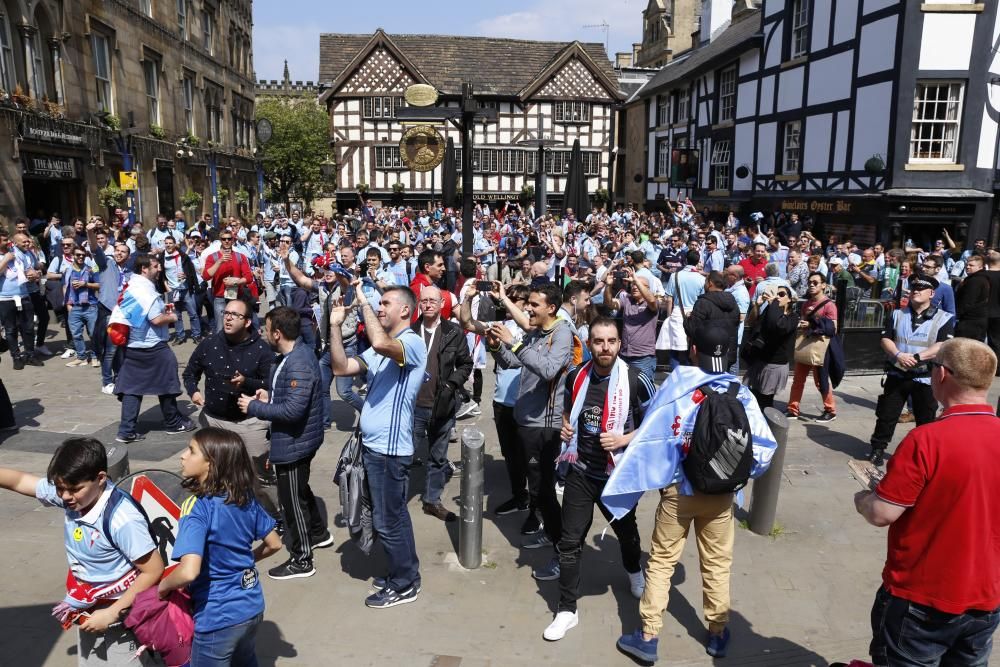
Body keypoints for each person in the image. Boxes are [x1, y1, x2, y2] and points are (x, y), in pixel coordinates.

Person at [609, 325, 776, 664]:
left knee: (660, 562)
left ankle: (648, 635)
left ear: (695, 350)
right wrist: (736, 477)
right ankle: (716, 633)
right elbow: (764, 449)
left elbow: (653, 436)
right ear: (727, 353)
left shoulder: (677, 386)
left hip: (678, 493)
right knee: (717, 565)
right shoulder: (740, 393)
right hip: (721, 496)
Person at [855, 338, 1000, 667]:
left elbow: (882, 513)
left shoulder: (927, 440)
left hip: (921, 597)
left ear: (942, 375)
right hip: (986, 596)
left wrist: (864, 498)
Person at [0, 438, 165, 664]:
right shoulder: (74, 495)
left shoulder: (122, 519)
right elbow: (20, 481)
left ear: (100, 479)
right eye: (60, 488)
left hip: (123, 613)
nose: (66, 496)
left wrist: (112, 613)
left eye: (74, 489)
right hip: (88, 606)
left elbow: (153, 570)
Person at [542, 317, 655, 641]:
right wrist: (565, 428)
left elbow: (656, 424)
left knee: (628, 534)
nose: (605, 347)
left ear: (620, 344)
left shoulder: (636, 379)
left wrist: (624, 439)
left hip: (616, 475)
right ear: (589, 344)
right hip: (580, 471)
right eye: (598, 341)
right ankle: (566, 610)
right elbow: (567, 414)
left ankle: (634, 571)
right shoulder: (577, 375)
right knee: (569, 541)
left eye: (611, 341)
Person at [329, 285, 427, 608]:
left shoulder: (411, 343)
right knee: (394, 516)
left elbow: (380, 341)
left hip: (388, 451)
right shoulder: (380, 352)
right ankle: (406, 572)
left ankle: (404, 584)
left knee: (388, 521)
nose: (380, 307)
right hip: (372, 448)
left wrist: (362, 302)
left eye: (386, 303)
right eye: (378, 303)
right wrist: (333, 326)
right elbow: (342, 368)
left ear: (405, 311)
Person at [157, 428, 283, 666]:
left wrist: (162, 588)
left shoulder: (196, 507)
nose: (183, 456)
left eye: (192, 451)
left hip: (217, 615)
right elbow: (275, 544)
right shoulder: (244, 497)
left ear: (211, 464)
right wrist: (245, 561)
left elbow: (189, 571)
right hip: (252, 606)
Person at [487, 282, 572, 582]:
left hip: (543, 426)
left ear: (551, 307)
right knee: (538, 488)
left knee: (543, 490)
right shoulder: (537, 331)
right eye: (527, 304)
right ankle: (550, 533)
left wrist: (517, 343)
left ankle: (564, 552)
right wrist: (497, 345)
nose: (527, 308)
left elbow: (548, 370)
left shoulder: (562, 333)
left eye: (533, 304)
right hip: (526, 421)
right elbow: (513, 361)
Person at [238, 306, 330, 581]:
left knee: (291, 502)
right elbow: (290, 396)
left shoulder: (298, 362)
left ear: (277, 333)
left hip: (294, 443)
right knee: (299, 489)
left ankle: (302, 559)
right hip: (297, 441)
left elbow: (292, 411)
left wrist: (254, 406)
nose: (264, 333)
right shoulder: (291, 357)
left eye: (266, 329)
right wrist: (270, 394)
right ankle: (318, 533)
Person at [182, 297, 278, 517]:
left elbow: (271, 384)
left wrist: (246, 382)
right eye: (226, 313)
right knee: (211, 471)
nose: (228, 318)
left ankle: (274, 516)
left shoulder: (262, 349)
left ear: (247, 321)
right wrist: (194, 391)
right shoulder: (209, 344)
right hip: (215, 420)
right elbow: (189, 373)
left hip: (250, 422)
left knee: (260, 476)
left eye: (235, 315)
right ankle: (220, 513)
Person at [866, 275, 954, 467]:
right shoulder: (897, 314)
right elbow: (885, 339)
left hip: (926, 378)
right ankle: (877, 449)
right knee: (887, 415)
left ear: (931, 293)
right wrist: (898, 355)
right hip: (898, 374)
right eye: (913, 287)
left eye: (921, 288)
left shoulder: (944, 318)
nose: (916, 290)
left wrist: (917, 358)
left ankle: (924, 457)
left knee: (926, 420)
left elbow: (942, 344)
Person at [458, 282, 531, 515]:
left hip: (527, 401)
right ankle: (520, 497)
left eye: (515, 299)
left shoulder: (533, 327)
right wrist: (468, 298)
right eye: (506, 298)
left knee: (530, 455)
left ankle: (538, 504)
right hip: (502, 401)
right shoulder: (499, 325)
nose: (507, 302)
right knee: (510, 453)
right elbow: (467, 323)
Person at [113, 255, 195, 443]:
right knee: (167, 383)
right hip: (153, 345)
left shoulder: (132, 287)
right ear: (144, 269)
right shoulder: (145, 291)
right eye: (156, 266)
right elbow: (155, 319)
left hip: (133, 346)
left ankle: (126, 430)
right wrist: (172, 318)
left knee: (132, 389)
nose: (159, 269)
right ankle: (173, 423)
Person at [412, 284, 472, 522]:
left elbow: (466, 363)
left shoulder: (452, 332)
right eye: (423, 301)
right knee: (404, 455)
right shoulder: (409, 331)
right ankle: (393, 500)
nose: (427, 305)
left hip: (442, 404)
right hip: (413, 404)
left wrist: (451, 385)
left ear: (441, 305)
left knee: (438, 456)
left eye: (431, 301)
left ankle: (432, 500)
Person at [786, 271, 838, 422]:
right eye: (810, 282)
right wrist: (803, 324)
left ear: (823, 285)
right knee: (798, 379)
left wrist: (813, 321)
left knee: (820, 380)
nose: (811, 285)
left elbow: (833, 328)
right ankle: (792, 408)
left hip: (820, 347)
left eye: (815, 283)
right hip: (806, 343)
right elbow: (804, 322)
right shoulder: (807, 304)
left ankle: (831, 410)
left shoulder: (829, 305)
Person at [87, 221, 131, 393]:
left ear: (128, 255)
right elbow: (95, 249)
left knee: (121, 349)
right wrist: (90, 232)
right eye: (117, 251)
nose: (119, 253)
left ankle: (119, 377)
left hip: (123, 314)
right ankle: (107, 382)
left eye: (123, 252)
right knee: (110, 350)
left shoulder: (129, 273)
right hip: (107, 311)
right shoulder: (106, 264)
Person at [742, 286, 798, 409]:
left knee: (765, 401)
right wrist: (757, 305)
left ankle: (765, 425)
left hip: (774, 364)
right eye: (775, 294)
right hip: (759, 360)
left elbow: (779, 327)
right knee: (751, 396)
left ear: (789, 299)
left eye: (781, 294)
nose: (777, 296)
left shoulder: (792, 317)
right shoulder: (770, 311)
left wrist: (774, 304)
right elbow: (751, 323)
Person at [604, 266, 659, 380]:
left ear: (647, 289)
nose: (634, 286)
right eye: (633, 284)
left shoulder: (652, 303)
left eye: (638, 285)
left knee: (643, 394)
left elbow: (652, 300)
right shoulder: (627, 300)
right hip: (624, 355)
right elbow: (609, 304)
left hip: (643, 358)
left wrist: (635, 279)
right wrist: (608, 285)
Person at [0, 233, 44, 369]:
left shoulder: (19, 254)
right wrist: (6, 259)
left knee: (28, 327)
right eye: (5, 240)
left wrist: (34, 274)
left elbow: (30, 270)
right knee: (11, 329)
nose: (9, 242)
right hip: (5, 298)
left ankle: (30, 355)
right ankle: (16, 357)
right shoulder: (6, 256)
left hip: (24, 295)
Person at [203, 231, 258, 332]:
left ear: (233, 240)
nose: (227, 241)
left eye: (229, 239)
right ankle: (222, 347)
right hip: (220, 298)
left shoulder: (240, 256)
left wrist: (236, 282)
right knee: (220, 328)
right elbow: (206, 276)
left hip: (237, 297)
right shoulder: (213, 257)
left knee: (238, 326)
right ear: (220, 240)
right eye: (224, 239)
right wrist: (219, 261)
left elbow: (249, 277)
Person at [684, 271, 740, 373]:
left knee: (704, 387)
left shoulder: (703, 303)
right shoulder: (733, 303)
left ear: (710, 283)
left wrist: (688, 319)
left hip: (706, 356)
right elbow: (736, 323)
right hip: (726, 353)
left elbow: (692, 329)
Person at [660, 250, 705, 370]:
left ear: (685, 260)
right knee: (691, 348)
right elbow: (702, 300)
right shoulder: (701, 279)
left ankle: (675, 378)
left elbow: (669, 299)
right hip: (695, 315)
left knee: (675, 349)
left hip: (677, 313)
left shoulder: (675, 276)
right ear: (698, 261)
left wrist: (669, 317)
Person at [62, 246, 101, 368]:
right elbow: (64, 287)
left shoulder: (90, 270)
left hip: (90, 306)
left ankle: (95, 357)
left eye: (83, 255)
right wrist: (68, 304)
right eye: (78, 255)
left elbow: (99, 285)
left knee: (93, 334)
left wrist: (86, 284)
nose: (81, 257)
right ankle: (81, 357)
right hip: (75, 307)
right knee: (76, 335)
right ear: (73, 255)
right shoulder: (67, 271)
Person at [954, 254, 989, 341]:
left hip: (970, 321)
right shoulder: (977, 278)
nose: (968, 267)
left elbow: (967, 301)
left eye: (971, 265)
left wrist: (957, 316)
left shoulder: (975, 281)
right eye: (967, 265)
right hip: (976, 320)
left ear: (980, 267)